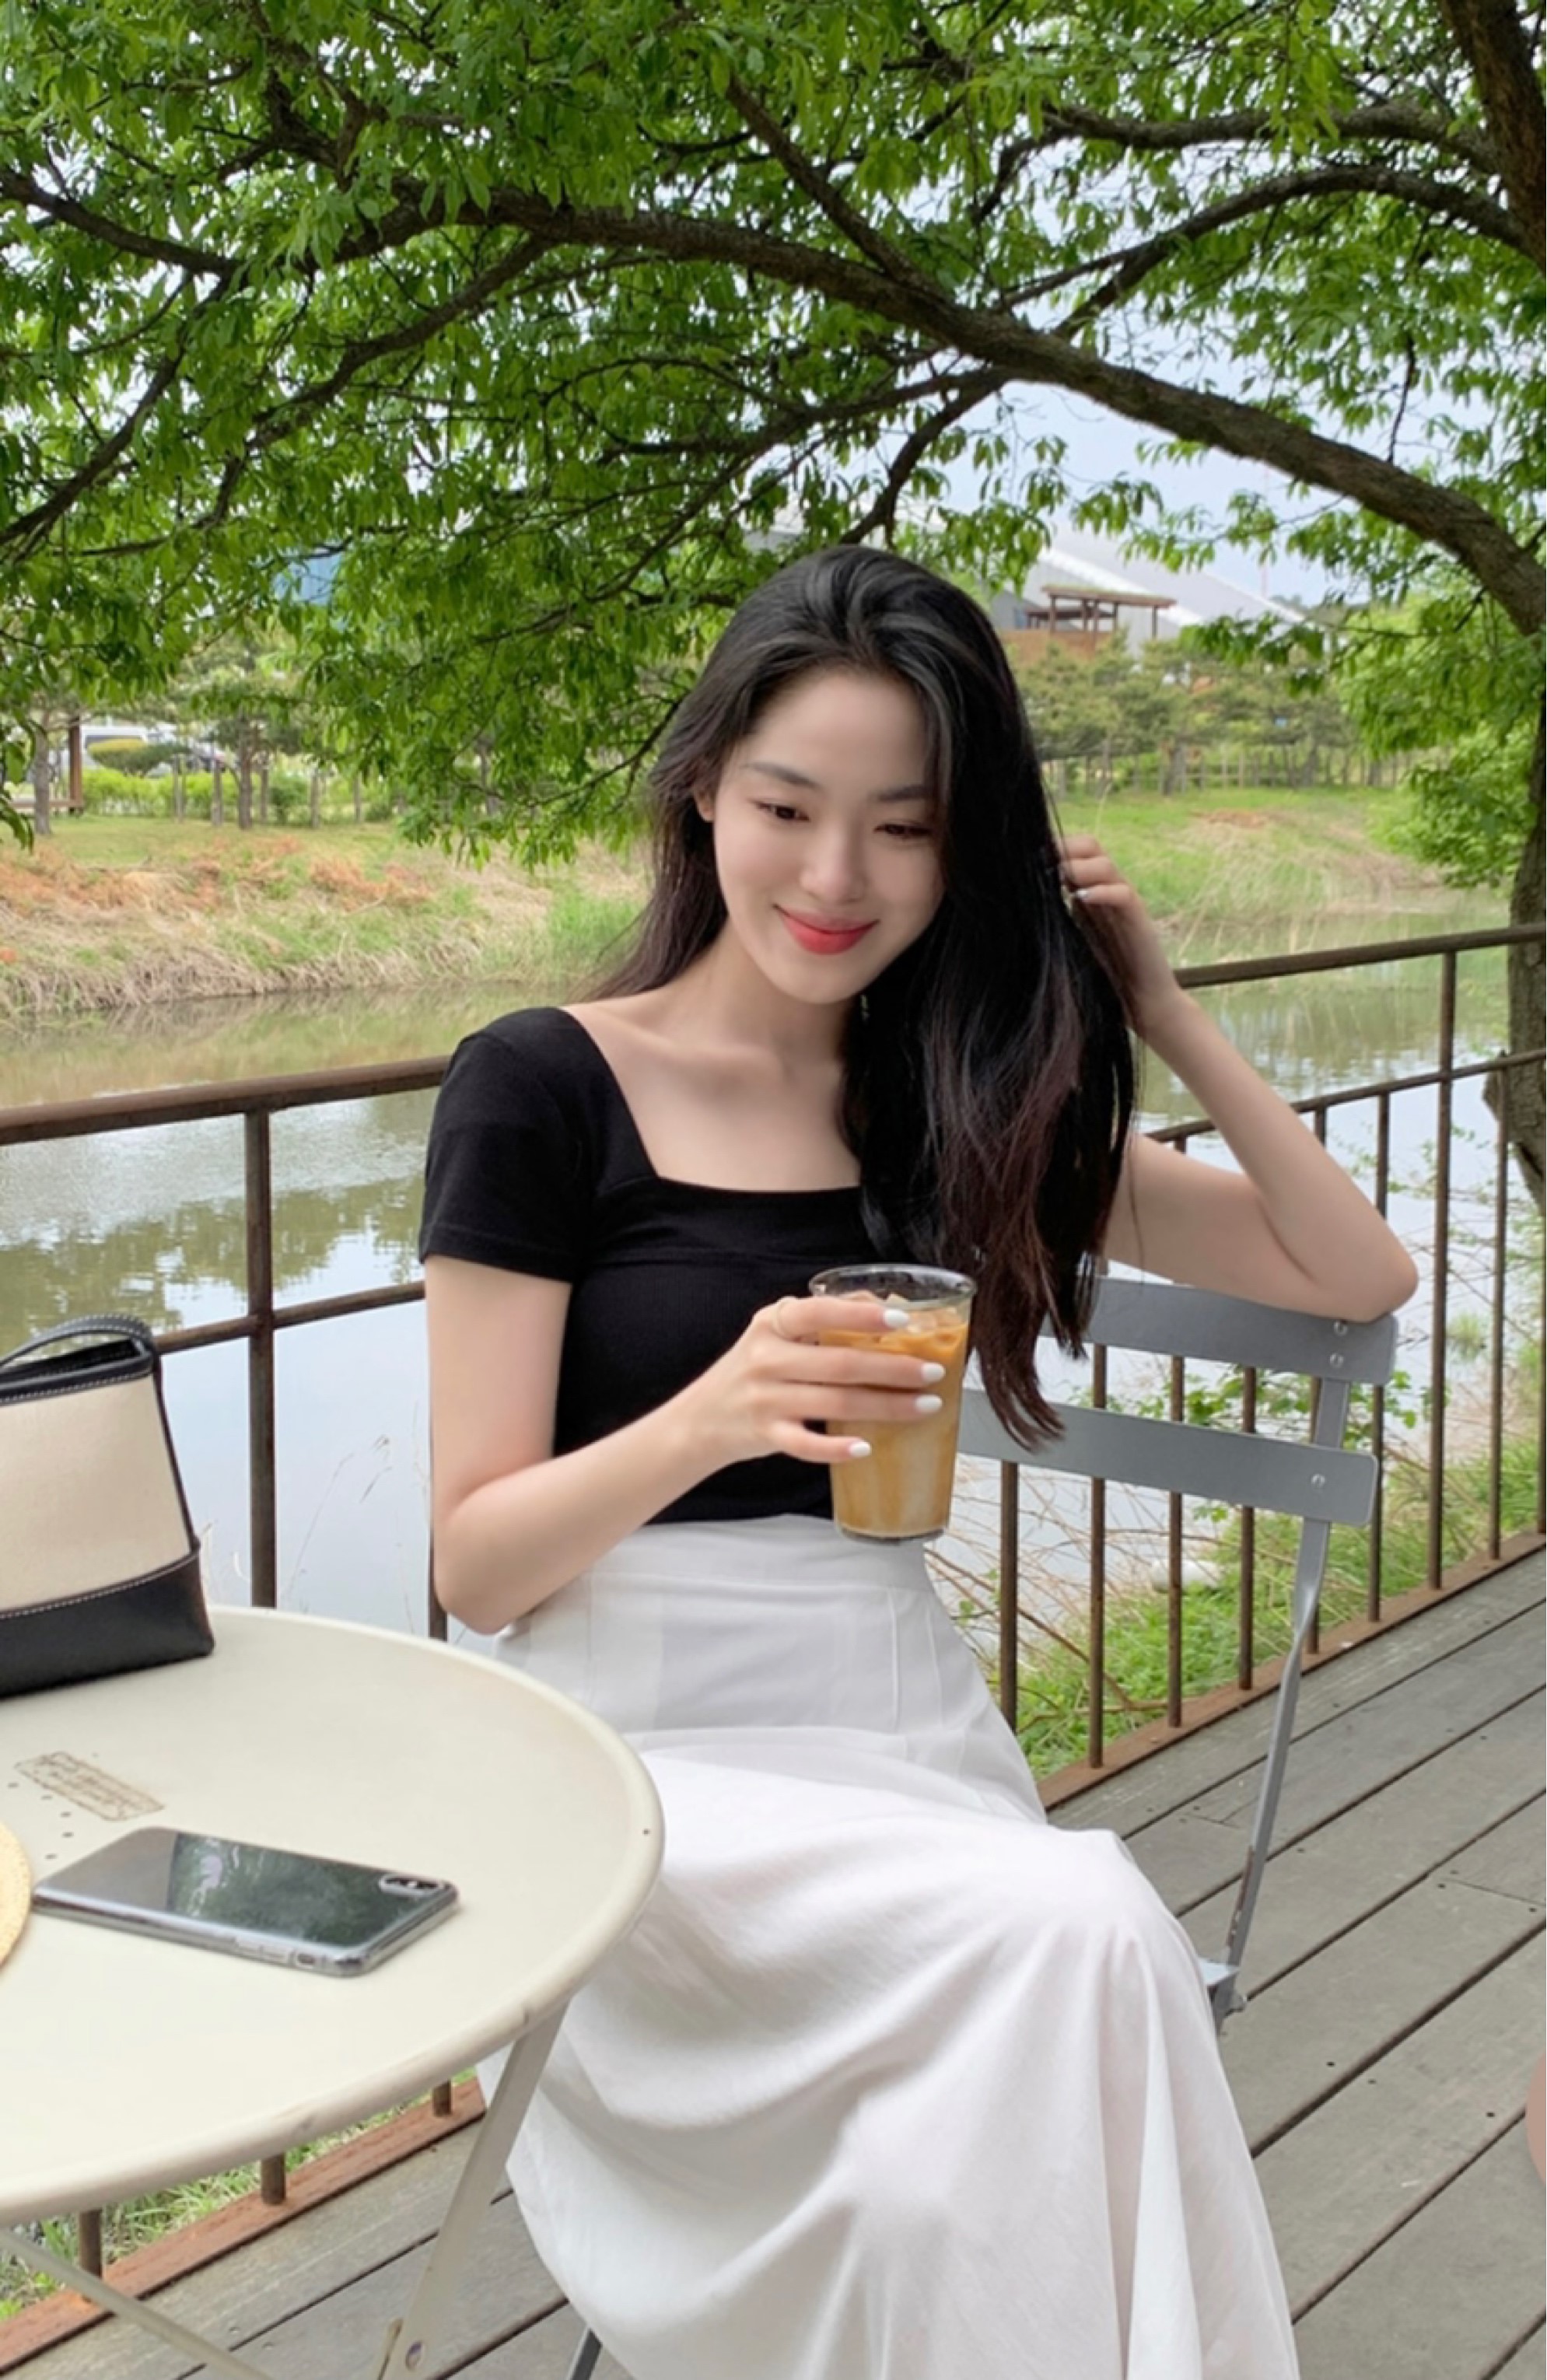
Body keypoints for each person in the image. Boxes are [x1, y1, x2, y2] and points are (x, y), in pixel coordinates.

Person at [418, 545, 1417, 2380]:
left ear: (966, 855)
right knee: (1087, 1927)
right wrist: (714, 1411)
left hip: (891, 1735)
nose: (832, 878)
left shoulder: (948, 1106)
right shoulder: (540, 1088)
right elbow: (475, 1564)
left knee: (940, 2178)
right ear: (701, 786)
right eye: (787, 807)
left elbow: (1351, 1273)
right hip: (630, 1771)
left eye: (903, 828)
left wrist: (1157, 1007)